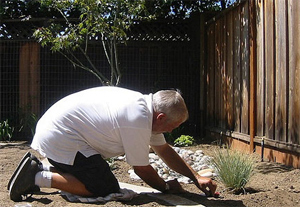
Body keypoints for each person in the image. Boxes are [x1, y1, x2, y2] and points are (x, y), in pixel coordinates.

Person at [8, 86, 217, 202]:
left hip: (59, 134)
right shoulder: (137, 119)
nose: (172, 130)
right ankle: (36, 177)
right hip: (62, 138)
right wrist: (165, 187)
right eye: (173, 125)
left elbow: (164, 150)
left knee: (98, 176)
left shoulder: (145, 110)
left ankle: (42, 167)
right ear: (161, 117)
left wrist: (196, 177)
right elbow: (142, 169)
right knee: (103, 187)